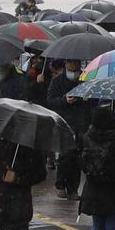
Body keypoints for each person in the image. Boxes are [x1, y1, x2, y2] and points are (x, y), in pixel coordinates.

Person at [47, 60, 89, 199]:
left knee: (77, 157)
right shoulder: (57, 81)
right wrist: (65, 100)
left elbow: (93, 102)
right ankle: (60, 184)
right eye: (71, 63)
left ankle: (73, 189)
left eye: (77, 63)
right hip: (64, 123)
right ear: (66, 64)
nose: (74, 66)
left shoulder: (84, 80)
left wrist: (86, 99)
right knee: (66, 155)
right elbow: (50, 100)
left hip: (80, 123)